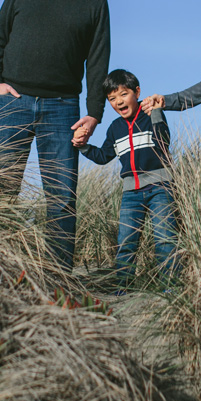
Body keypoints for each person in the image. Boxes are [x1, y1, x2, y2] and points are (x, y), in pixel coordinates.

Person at [0, 0, 110, 269]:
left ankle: (58, 280)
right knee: (2, 191)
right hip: (13, 103)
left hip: (63, 108)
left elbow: (98, 62)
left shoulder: (96, 2)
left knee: (60, 197)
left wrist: (94, 113)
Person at [77, 69, 178, 289]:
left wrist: (158, 112)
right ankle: (124, 286)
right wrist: (83, 146)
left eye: (123, 94)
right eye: (112, 99)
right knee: (126, 241)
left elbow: (163, 140)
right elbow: (104, 156)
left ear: (137, 92)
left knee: (164, 238)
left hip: (161, 187)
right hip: (131, 193)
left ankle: (171, 285)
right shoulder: (115, 128)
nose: (118, 101)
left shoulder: (151, 115)